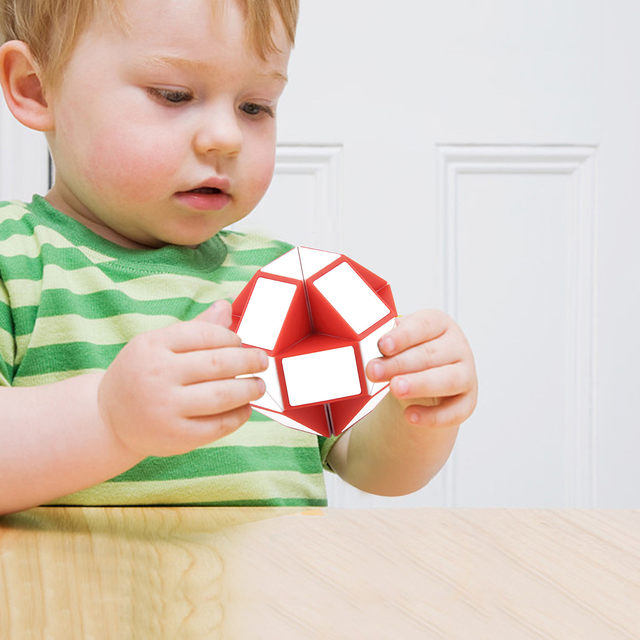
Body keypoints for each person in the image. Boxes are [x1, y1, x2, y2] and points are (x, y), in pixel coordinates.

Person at [0, 0, 478, 515]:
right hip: (72, 593)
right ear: (35, 87)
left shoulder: (285, 286)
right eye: (174, 95)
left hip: (273, 594)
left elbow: (367, 465)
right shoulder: (16, 259)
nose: (226, 138)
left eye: (255, 106)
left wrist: (418, 407)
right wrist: (108, 419)